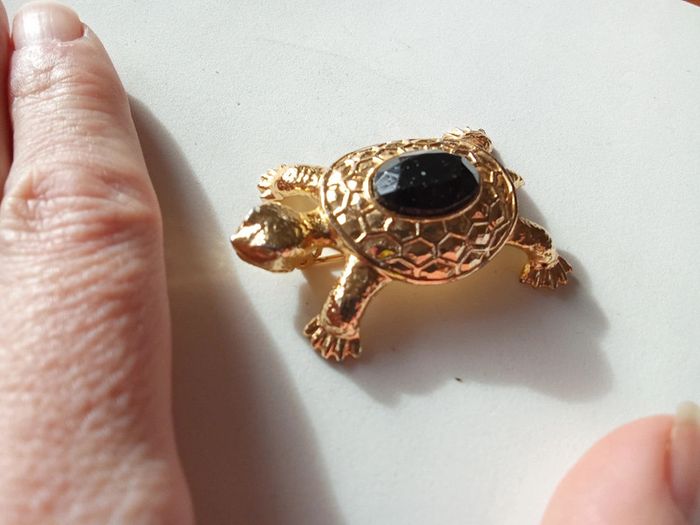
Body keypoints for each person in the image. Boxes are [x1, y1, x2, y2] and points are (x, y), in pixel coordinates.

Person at [0, 2, 696, 524]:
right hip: (439, 163)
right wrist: (290, 181)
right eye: (263, 236)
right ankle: (469, 150)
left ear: (303, 248)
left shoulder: (361, 261)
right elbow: (319, 177)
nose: (253, 242)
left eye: (269, 249)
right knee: (450, 173)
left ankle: (535, 249)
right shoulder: (332, 191)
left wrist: (340, 325)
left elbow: (353, 286)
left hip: (473, 210)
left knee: (523, 233)